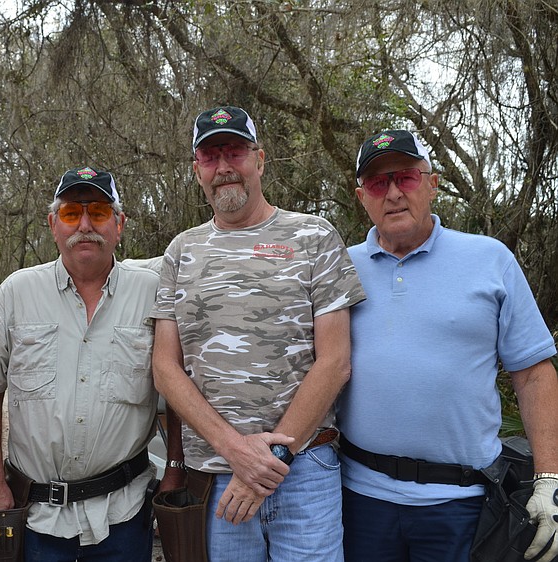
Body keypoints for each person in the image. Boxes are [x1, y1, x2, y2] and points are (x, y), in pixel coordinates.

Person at [151, 105, 366, 562]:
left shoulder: (314, 236)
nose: (223, 167)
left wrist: (270, 463)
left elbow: (335, 361)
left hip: (305, 470)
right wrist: (237, 452)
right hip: (216, 478)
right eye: (210, 156)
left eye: (235, 152)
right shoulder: (181, 251)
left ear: (260, 160)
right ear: (197, 169)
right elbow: (165, 368)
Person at [338, 130, 558, 562]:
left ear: (432, 184)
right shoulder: (339, 269)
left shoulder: (490, 259)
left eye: (406, 177)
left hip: (463, 504)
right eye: (378, 183)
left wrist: (550, 479)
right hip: (360, 498)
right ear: (362, 196)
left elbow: (533, 374)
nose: (394, 193)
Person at [0, 166, 162, 562]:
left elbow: (174, 387)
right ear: (53, 224)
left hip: (124, 514)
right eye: (72, 213)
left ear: (119, 224)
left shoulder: (153, 295)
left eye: (99, 212)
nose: (85, 225)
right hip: (36, 517)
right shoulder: (15, 294)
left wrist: (174, 465)